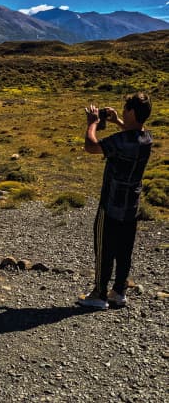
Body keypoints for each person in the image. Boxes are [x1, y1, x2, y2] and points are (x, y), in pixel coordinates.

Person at [78, 93, 153, 310]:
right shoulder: (147, 139)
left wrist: (92, 123)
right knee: (124, 250)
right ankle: (119, 291)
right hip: (131, 205)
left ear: (131, 111)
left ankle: (99, 294)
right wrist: (118, 121)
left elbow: (91, 146)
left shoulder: (120, 142)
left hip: (110, 203)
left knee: (104, 248)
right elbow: (132, 135)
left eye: (125, 108)